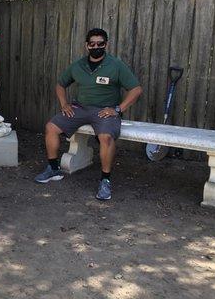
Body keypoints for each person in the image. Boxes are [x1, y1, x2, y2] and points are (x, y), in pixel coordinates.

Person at [35, 28, 143, 200]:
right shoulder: (78, 65)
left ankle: (105, 181)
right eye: (92, 44)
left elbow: (136, 89)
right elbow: (60, 84)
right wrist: (64, 104)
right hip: (80, 108)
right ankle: (53, 168)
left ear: (106, 44)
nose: (96, 47)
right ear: (87, 46)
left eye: (100, 44)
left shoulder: (116, 65)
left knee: (106, 137)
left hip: (105, 111)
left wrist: (117, 109)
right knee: (51, 127)